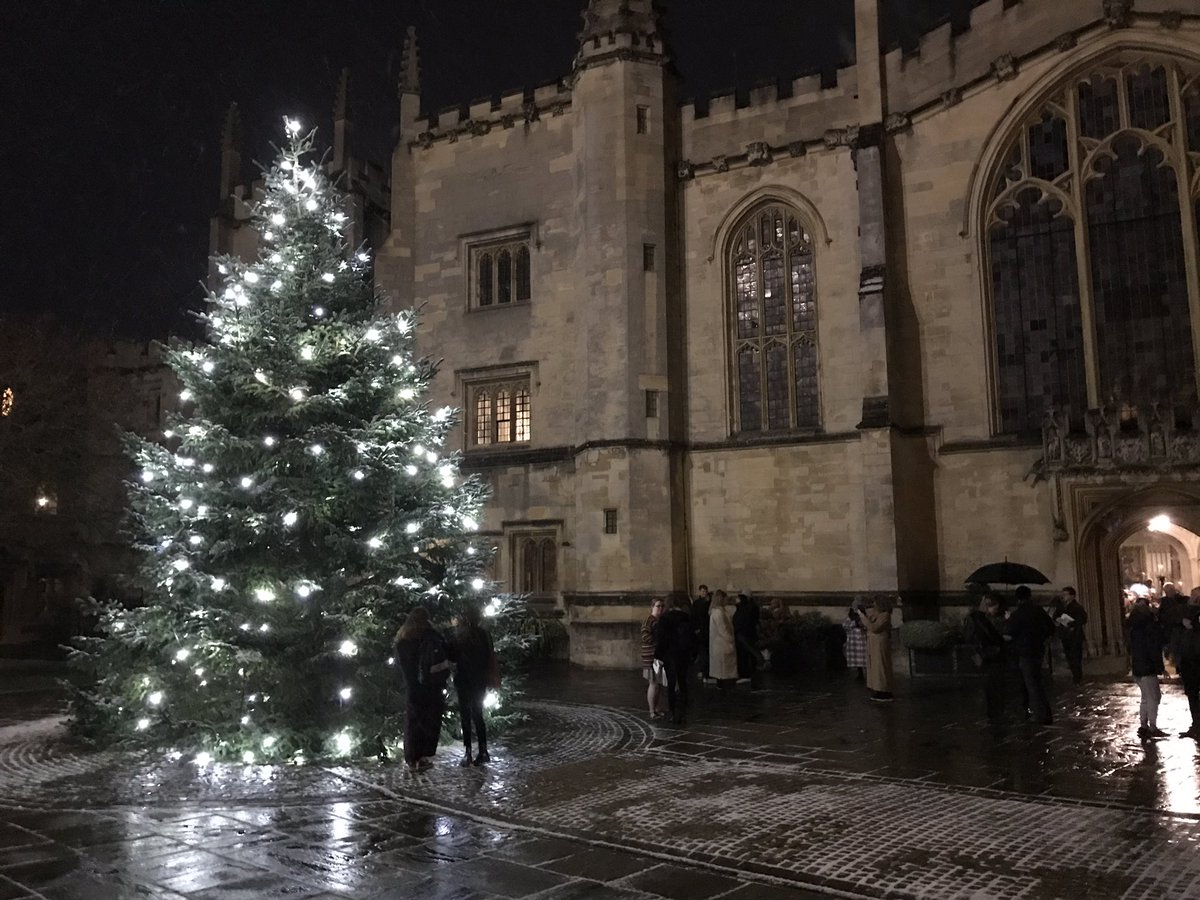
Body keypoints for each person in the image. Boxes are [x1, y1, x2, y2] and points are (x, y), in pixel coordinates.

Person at [394, 607, 451, 772]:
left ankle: (412, 758)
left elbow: (403, 667)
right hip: (432, 685)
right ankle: (423, 757)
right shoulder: (430, 636)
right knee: (430, 722)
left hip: (413, 687)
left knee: (414, 723)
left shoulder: (403, 640)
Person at [448, 603, 496, 767]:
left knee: (465, 716)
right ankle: (483, 750)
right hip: (478, 679)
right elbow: (489, 655)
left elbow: (452, 656)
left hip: (464, 679)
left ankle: (468, 752)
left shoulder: (460, 635)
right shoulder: (483, 634)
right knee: (478, 714)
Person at [1005, 585, 1055, 725]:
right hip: (1038, 651)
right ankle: (1043, 712)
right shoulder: (1038, 611)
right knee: (1037, 682)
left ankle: (1040, 715)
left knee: (1031, 684)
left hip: (1024, 652)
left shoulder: (1017, 614)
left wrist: (1008, 619)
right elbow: (1051, 628)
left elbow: (1009, 633)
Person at [1126, 596, 1167, 739]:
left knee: (1145, 697)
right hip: (1148, 667)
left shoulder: (1133, 628)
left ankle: (1143, 725)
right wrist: (1160, 667)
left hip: (1138, 666)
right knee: (1154, 697)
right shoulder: (1150, 628)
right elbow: (1153, 649)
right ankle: (1152, 727)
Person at [966, 595, 1008, 720]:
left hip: (984, 654)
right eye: (995, 609)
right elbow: (991, 636)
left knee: (991, 684)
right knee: (994, 684)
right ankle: (995, 712)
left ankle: (994, 711)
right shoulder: (980, 619)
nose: (996, 611)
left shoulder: (977, 618)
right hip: (990, 655)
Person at [655, 597, 696, 725]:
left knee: (671, 685)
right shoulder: (687, 618)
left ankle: (673, 713)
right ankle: (683, 712)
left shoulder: (665, 619)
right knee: (683, 683)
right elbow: (692, 639)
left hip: (669, 655)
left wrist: (659, 656)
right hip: (683, 655)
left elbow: (661, 639)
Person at [1171, 605, 1200, 739]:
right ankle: (1196, 725)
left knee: (1193, 698)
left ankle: (1196, 726)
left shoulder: (1189, 634)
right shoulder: (1186, 633)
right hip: (1190, 670)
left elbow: (1186, 652)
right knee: (1193, 698)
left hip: (1191, 669)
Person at [857, 596, 894, 701]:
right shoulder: (877, 614)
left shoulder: (885, 616)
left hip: (880, 643)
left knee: (881, 666)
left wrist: (862, 616)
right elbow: (868, 622)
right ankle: (877, 689)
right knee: (874, 666)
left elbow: (874, 627)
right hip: (873, 643)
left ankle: (884, 690)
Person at [1051, 586, 1088, 684]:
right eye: (1062, 594)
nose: (1063, 597)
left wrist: (1071, 623)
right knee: (1069, 656)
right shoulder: (1061, 607)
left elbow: (1083, 619)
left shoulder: (1077, 607)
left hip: (1075, 635)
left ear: (1072, 596)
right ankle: (1075, 675)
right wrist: (1057, 620)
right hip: (1065, 635)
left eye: (1065, 594)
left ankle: (1077, 677)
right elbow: (1055, 616)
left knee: (1075, 656)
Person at [640, 598, 668, 718]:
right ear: (652, 607)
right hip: (650, 656)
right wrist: (657, 640)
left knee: (659, 683)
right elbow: (645, 636)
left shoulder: (659, 620)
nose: (660, 608)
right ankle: (652, 711)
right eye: (658, 606)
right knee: (653, 683)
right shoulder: (649, 620)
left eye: (662, 606)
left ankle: (657, 708)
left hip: (659, 655)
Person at [708, 590, 738, 687]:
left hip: (722, 645)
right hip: (722, 645)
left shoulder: (720, 611)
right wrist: (731, 639)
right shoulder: (718, 613)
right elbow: (723, 629)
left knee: (723, 672)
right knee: (723, 672)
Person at [732, 591, 762, 688]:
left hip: (743, 634)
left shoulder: (744, 609)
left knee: (745, 653)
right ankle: (750, 670)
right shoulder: (745, 608)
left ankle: (746, 673)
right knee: (747, 652)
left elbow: (742, 622)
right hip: (745, 633)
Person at [842, 600, 867, 681]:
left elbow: (867, 624)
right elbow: (845, 625)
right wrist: (854, 624)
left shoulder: (863, 616)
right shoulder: (850, 617)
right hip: (854, 640)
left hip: (862, 639)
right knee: (857, 658)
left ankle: (867, 674)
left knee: (864, 656)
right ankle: (860, 674)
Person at [692, 584, 711, 681]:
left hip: (706, 629)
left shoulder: (709, 602)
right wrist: (696, 628)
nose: (704, 593)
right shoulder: (696, 603)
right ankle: (703, 670)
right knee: (702, 651)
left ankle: (705, 670)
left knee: (705, 651)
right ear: (700, 592)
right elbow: (694, 616)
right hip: (701, 630)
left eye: (705, 591)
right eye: (703, 591)